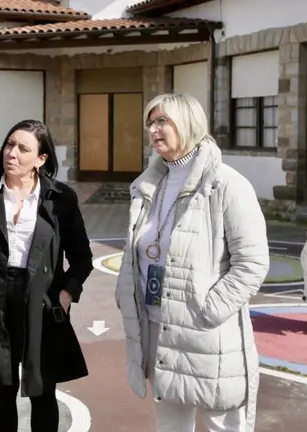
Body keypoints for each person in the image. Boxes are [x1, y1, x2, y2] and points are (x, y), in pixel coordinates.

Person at [114, 93, 270, 432]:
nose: (153, 130)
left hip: (208, 336)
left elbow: (252, 263)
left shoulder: (227, 184)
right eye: (150, 123)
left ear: (189, 124)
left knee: (223, 425)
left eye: (162, 122)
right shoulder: (147, 186)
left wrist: (206, 310)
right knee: (170, 427)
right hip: (158, 330)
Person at [0, 119, 93, 432]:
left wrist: (67, 293)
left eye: (23, 148)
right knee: (1, 388)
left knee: (42, 388)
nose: (12, 153)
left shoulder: (61, 198)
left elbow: (82, 258)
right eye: (9, 144)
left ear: (41, 159)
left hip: (41, 302)